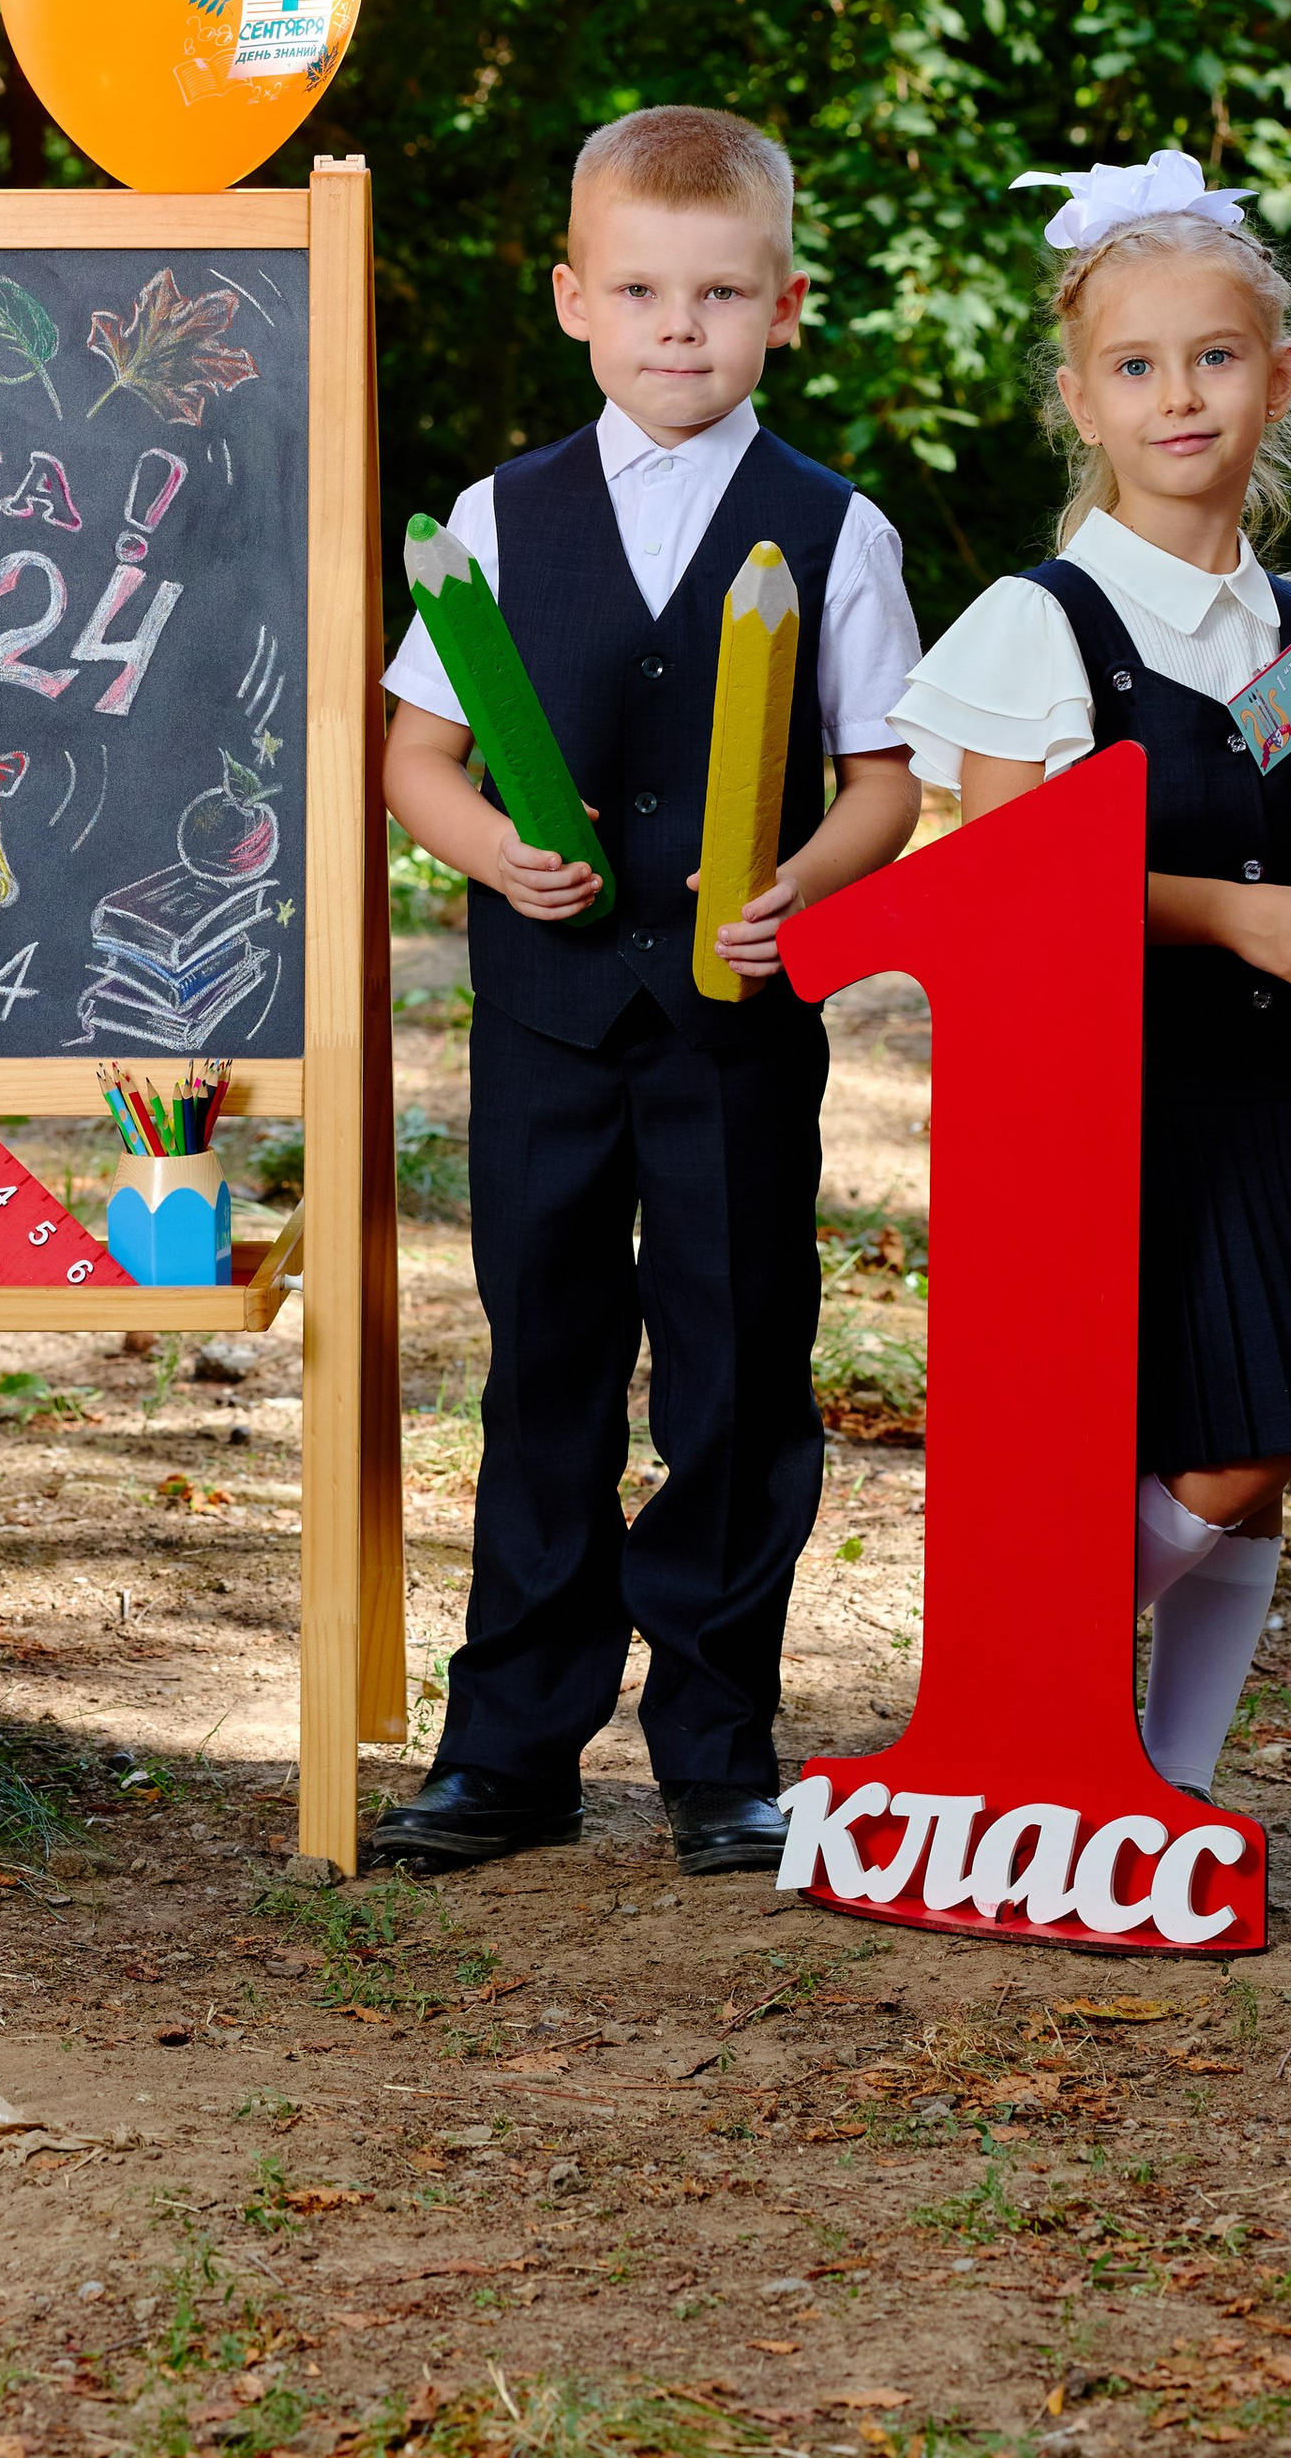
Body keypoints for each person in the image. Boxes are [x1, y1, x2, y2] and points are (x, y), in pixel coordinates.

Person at [889, 149, 1291, 1801]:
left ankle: (1161, 1786)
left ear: (1280, 380)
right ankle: (1019, 1673)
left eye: (1218, 357)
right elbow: (1001, 894)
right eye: (1137, 365)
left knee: (1266, 1439)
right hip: (1113, 1094)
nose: (1181, 395)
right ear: (1080, 402)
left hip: (1279, 1084)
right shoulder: (1042, 625)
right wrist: (1234, 919)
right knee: (1229, 1438)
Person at [375, 105, 924, 1877]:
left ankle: (716, 1747)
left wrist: (801, 889)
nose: (676, 328)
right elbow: (419, 757)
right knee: (542, 1375)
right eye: (639, 291)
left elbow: (884, 781)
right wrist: (488, 850)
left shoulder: (833, 530)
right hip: (546, 1022)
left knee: (738, 1383)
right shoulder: (494, 516)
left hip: (735, 1031)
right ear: (571, 300)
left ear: (785, 305)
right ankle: (511, 1748)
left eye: (716, 294)